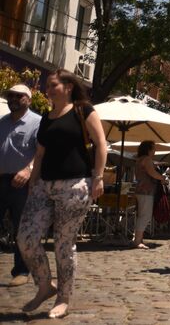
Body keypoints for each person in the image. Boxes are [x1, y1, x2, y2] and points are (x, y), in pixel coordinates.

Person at [17, 69, 107, 319]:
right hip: (44, 185)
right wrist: (33, 182)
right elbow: (40, 154)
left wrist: (98, 178)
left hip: (75, 185)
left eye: (52, 85)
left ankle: (63, 298)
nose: (48, 89)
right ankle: (45, 285)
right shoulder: (47, 117)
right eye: (47, 85)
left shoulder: (84, 111)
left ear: (68, 87)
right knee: (25, 238)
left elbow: (101, 144)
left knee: (63, 245)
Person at [0, 84, 41, 288]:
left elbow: (42, 153)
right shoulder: (2, 122)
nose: (14, 99)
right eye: (11, 96)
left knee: (21, 228)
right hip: (1, 180)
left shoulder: (37, 122)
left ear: (29, 99)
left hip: (23, 183)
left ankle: (22, 271)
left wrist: (28, 170)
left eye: (19, 96)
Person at [132, 140, 167, 249]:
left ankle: (138, 238)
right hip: (146, 191)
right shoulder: (146, 159)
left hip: (140, 190)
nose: (155, 151)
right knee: (145, 215)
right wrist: (162, 178)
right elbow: (151, 172)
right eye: (153, 148)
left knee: (142, 215)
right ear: (148, 149)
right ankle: (137, 241)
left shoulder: (138, 160)